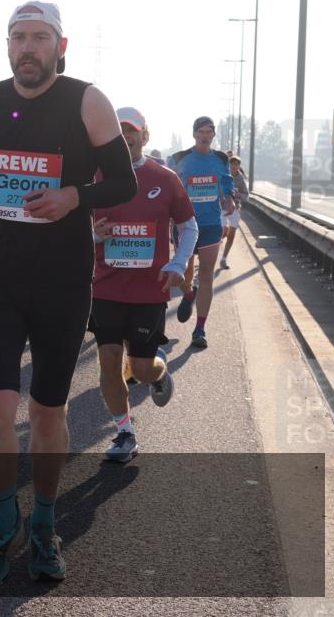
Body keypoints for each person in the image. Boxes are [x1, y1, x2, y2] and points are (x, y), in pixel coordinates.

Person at [0, 1, 136, 586]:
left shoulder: (87, 101)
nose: (27, 47)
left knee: (47, 413)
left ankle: (46, 523)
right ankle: (5, 523)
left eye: (39, 38)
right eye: (18, 37)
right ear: (7, 46)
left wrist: (75, 196)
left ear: (60, 45)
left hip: (61, 282)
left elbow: (123, 182)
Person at [89, 107, 198, 462]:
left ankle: (158, 371)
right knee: (108, 361)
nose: (124, 137)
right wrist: (92, 236)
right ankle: (125, 432)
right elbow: (70, 226)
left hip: (149, 290)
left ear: (145, 136)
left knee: (140, 367)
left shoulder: (164, 178)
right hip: (104, 286)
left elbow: (189, 226)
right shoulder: (94, 178)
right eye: (117, 131)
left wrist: (178, 262)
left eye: (131, 131)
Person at [168, 117, 235, 348]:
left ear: (213, 135)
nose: (205, 135)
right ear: (194, 134)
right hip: (185, 225)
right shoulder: (179, 159)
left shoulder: (220, 159)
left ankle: (200, 329)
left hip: (210, 225)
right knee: (181, 274)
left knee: (206, 274)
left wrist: (229, 198)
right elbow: (170, 187)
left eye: (209, 132)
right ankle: (187, 293)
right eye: (201, 131)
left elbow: (227, 182)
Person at [219, 154, 249, 270]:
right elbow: (217, 189)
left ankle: (223, 259)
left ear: (239, 166)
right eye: (232, 164)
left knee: (231, 235)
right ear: (228, 165)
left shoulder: (240, 179)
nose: (234, 166)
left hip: (235, 209)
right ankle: (209, 255)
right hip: (222, 208)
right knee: (223, 231)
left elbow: (246, 196)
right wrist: (221, 198)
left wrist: (238, 195)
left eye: (237, 164)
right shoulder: (223, 175)